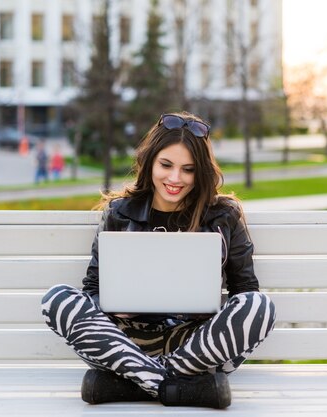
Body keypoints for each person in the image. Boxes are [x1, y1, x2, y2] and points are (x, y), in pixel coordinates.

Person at [41, 112, 276, 409]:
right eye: (166, 165)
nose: (175, 179)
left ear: (200, 172)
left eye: (188, 170)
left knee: (260, 305)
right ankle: (176, 388)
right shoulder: (119, 213)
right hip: (125, 344)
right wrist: (114, 305)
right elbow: (90, 290)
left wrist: (209, 312)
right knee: (57, 299)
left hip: (196, 346)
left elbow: (246, 293)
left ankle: (134, 384)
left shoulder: (223, 216)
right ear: (150, 161)